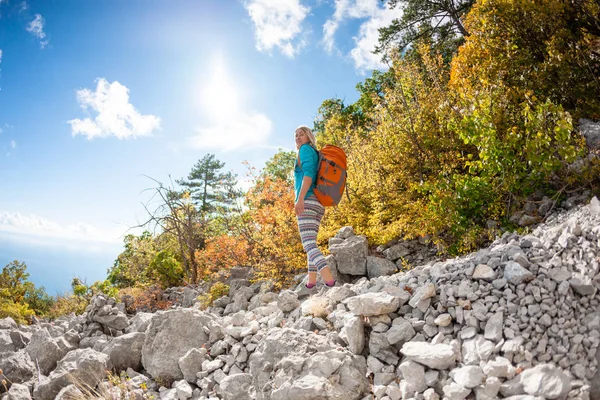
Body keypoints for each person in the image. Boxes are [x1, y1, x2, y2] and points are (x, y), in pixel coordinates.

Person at [293, 125, 336, 288]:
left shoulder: (304, 150)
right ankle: (311, 282)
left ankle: (329, 280)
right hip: (318, 203)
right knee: (312, 243)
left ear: (308, 136)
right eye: (296, 135)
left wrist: (300, 198)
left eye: (301, 134)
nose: (298, 137)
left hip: (308, 200)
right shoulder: (315, 153)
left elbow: (309, 175)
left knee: (308, 245)